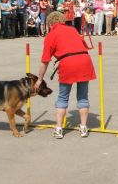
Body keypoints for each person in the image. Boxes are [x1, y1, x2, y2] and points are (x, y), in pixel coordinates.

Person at [35, 11, 96, 139]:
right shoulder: (72, 29)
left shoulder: (51, 35)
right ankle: (84, 127)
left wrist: (39, 79)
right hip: (85, 61)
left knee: (63, 97)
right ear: (62, 21)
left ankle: (58, 128)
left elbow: (45, 60)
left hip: (68, 63)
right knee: (83, 97)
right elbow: (83, 44)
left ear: (50, 24)